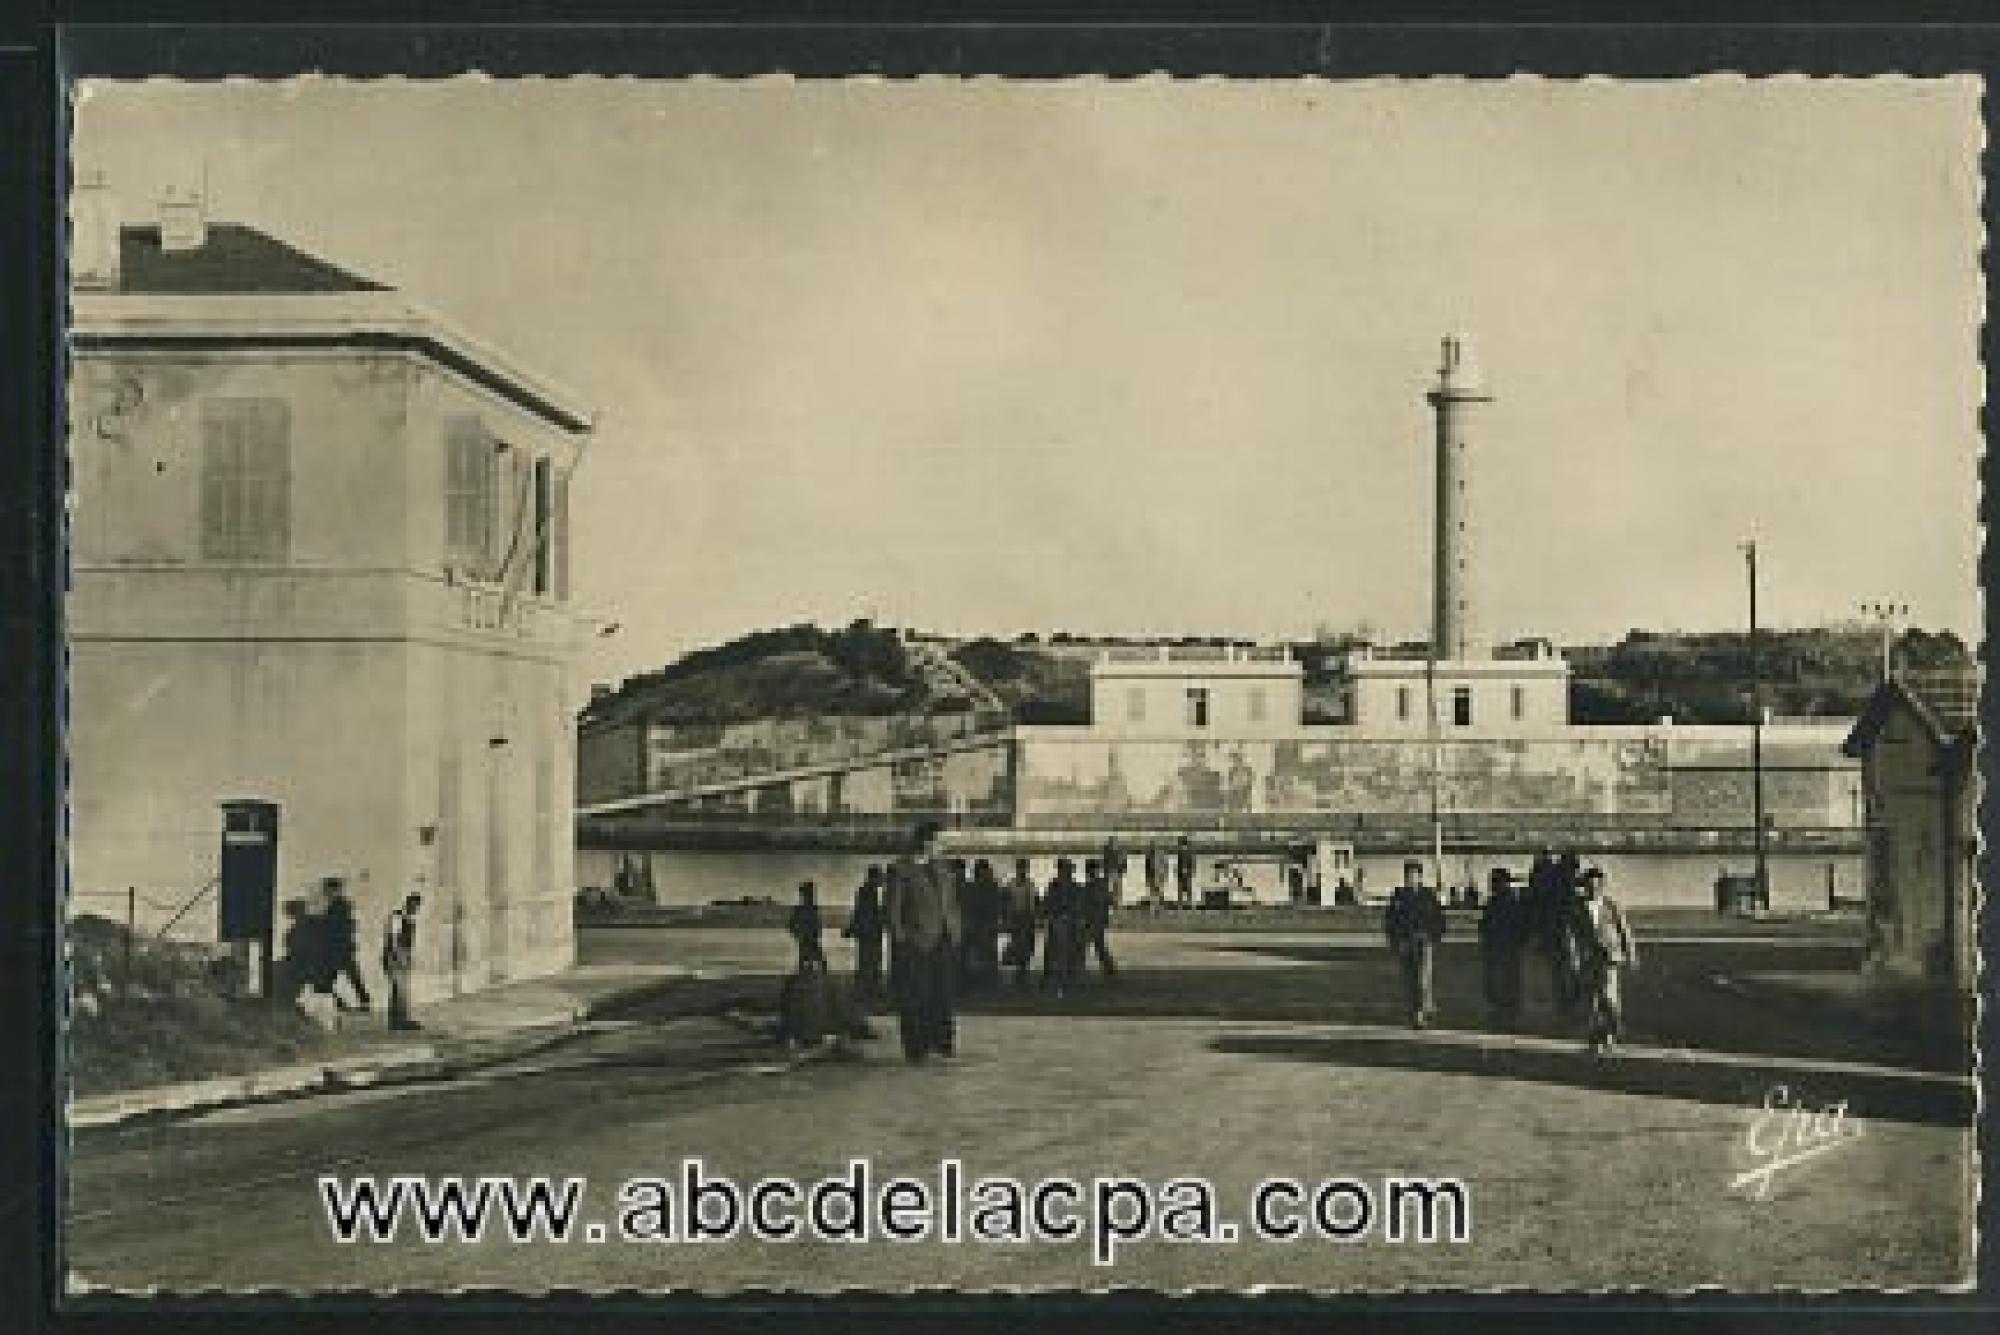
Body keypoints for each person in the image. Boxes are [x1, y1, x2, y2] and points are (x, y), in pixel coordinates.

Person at [884, 820, 962, 1063]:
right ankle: (916, 1050)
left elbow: (951, 902)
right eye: (940, 841)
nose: (943, 846)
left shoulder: (944, 868)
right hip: (915, 943)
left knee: (943, 996)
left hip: (944, 940)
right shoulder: (900, 869)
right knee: (915, 997)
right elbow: (892, 910)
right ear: (926, 842)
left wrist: (956, 929)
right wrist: (902, 942)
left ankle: (942, 1046)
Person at [1572, 867, 1638, 1055]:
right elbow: (1571, 935)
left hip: (1609, 956)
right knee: (1591, 1000)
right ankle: (1595, 1040)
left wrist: (1630, 953)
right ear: (1584, 887)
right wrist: (1574, 957)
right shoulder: (1577, 907)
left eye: (1597, 885)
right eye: (1589, 886)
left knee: (1609, 998)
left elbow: (1624, 930)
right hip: (1587, 958)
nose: (1593, 889)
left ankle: (1610, 1035)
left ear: (1602, 886)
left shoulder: (1612, 906)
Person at [1383, 859, 1446, 1029]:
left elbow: (1439, 918)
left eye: (1414, 875)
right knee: (1409, 980)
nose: (1411, 878)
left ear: (1420, 876)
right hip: (1406, 943)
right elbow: (1390, 921)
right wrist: (1395, 941)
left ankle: (1420, 1013)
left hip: (1424, 943)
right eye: (1409, 875)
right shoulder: (1399, 895)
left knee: (1423, 980)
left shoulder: (1428, 895)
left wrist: (1433, 937)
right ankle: (1414, 1011)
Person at [1478, 868, 1527, 1030]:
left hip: (1504, 946)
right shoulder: (1508, 901)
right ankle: (1507, 1010)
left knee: (1503, 979)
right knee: (1505, 979)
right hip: (1504, 946)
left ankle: (1505, 1010)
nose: (1492, 885)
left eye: (1494, 881)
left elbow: (1486, 925)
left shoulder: (1504, 901)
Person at [322, 877, 372, 1013]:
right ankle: (357, 1001)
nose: (326, 892)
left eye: (328, 889)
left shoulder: (339, 905)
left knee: (329, 979)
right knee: (347, 976)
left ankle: (358, 1001)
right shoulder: (339, 905)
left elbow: (339, 926)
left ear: (334, 890)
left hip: (339, 947)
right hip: (340, 947)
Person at [1041, 857, 1084, 996]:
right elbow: (1048, 904)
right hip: (1058, 921)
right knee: (1056, 952)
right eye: (1065, 870)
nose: (1067, 873)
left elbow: (1079, 906)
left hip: (1069, 922)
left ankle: (1068, 979)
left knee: (1070, 952)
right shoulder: (1055, 886)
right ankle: (1056, 979)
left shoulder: (1073, 887)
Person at [380, 892, 423, 1032]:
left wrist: (408, 956)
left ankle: (400, 1019)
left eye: (417, 907)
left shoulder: (408, 918)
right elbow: (392, 939)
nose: (416, 909)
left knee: (401, 990)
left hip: (402, 954)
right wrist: (396, 957)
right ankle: (397, 1021)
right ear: (409, 903)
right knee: (398, 989)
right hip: (396, 955)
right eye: (415, 906)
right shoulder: (398, 917)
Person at [843, 866, 887, 996]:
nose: (881, 882)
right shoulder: (869, 893)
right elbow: (865, 913)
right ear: (874, 878)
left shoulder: (866, 891)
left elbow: (858, 912)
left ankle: (865, 988)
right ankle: (869, 989)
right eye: (879, 878)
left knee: (866, 961)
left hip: (867, 933)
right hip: (870, 933)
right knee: (871, 961)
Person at [963, 859, 1003, 991]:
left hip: (983, 925)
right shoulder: (990, 886)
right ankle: (986, 981)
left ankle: (984, 981)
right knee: (983, 954)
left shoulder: (976, 887)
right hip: (982, 925)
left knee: (984, 954)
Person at [999, 857, 1040, 986]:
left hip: (1027, 917)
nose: (1022, 870)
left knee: (1026, 944)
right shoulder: (1012, 884)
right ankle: (1020, 970)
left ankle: (1023, 969)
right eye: (1021, 867)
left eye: (1024, 867)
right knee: (1018, 944)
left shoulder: (1029, 884)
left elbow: (1034, 904)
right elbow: (1006, 903)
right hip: (1017, 917)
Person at [1080, 857, 1118, 981]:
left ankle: (1081, 968)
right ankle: (1109, 968)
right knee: (1098, 944)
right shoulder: (1100, 884)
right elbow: (1110, 901)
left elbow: (1090, 903)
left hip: (1094, 919)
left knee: (1087, 944)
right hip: (1098, 919)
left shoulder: (1092, 886)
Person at [787, 881, 826, 970]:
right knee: (807, 957)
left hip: (809, 935)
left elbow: (817, 922)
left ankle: (809, 973)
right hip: (806, 935)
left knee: (809, 956)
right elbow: (792, 923)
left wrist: (816, 933)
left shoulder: (811, 908)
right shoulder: (802, 908)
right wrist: (796, 932)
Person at [1101, 837, 1128, 909]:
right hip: (1114, 872)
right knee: (1114, 888)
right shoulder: (1115, 853)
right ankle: (1115, 902)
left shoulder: (1111, 852)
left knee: (1114, 888)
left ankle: (1114, 902)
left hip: (1113, 872)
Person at [1143, 842, 1169, 910]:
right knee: (1154, 888)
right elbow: (1147, 866)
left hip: (1155, 874)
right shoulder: (1150, 856)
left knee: (1156, 888)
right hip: (1152, 874)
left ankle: (1158, 902)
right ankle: (1155, 902)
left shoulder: (1156, 856)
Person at [1173, 835, 1197, 908]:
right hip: (1186, 871)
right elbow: (1192, 862)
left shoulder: (1180, 852)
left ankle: (1182, 902)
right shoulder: (1189, 852)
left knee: (1182, 886)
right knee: (1186, 886)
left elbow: (1179, 862)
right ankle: (1187, 901)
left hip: (1182, 871)